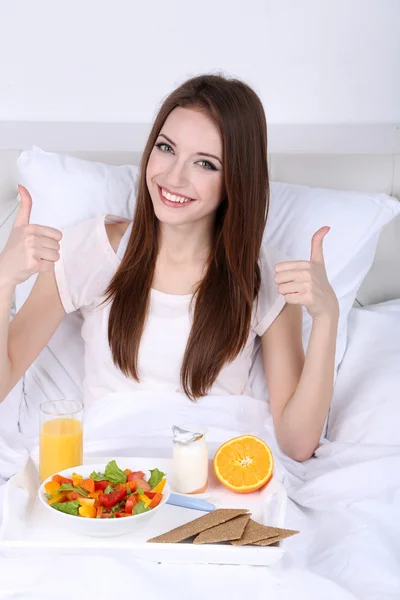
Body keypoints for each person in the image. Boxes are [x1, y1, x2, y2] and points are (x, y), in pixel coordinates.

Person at [0, 74, 339, 461]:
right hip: (111, 480)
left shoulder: (264, 276)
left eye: (205, 164)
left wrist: (328, 317)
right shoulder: (92, 251)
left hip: (218, 478)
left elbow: (297, 443)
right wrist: (3, 279)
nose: (173, 177)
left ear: (236, 181)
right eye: (166, 147)